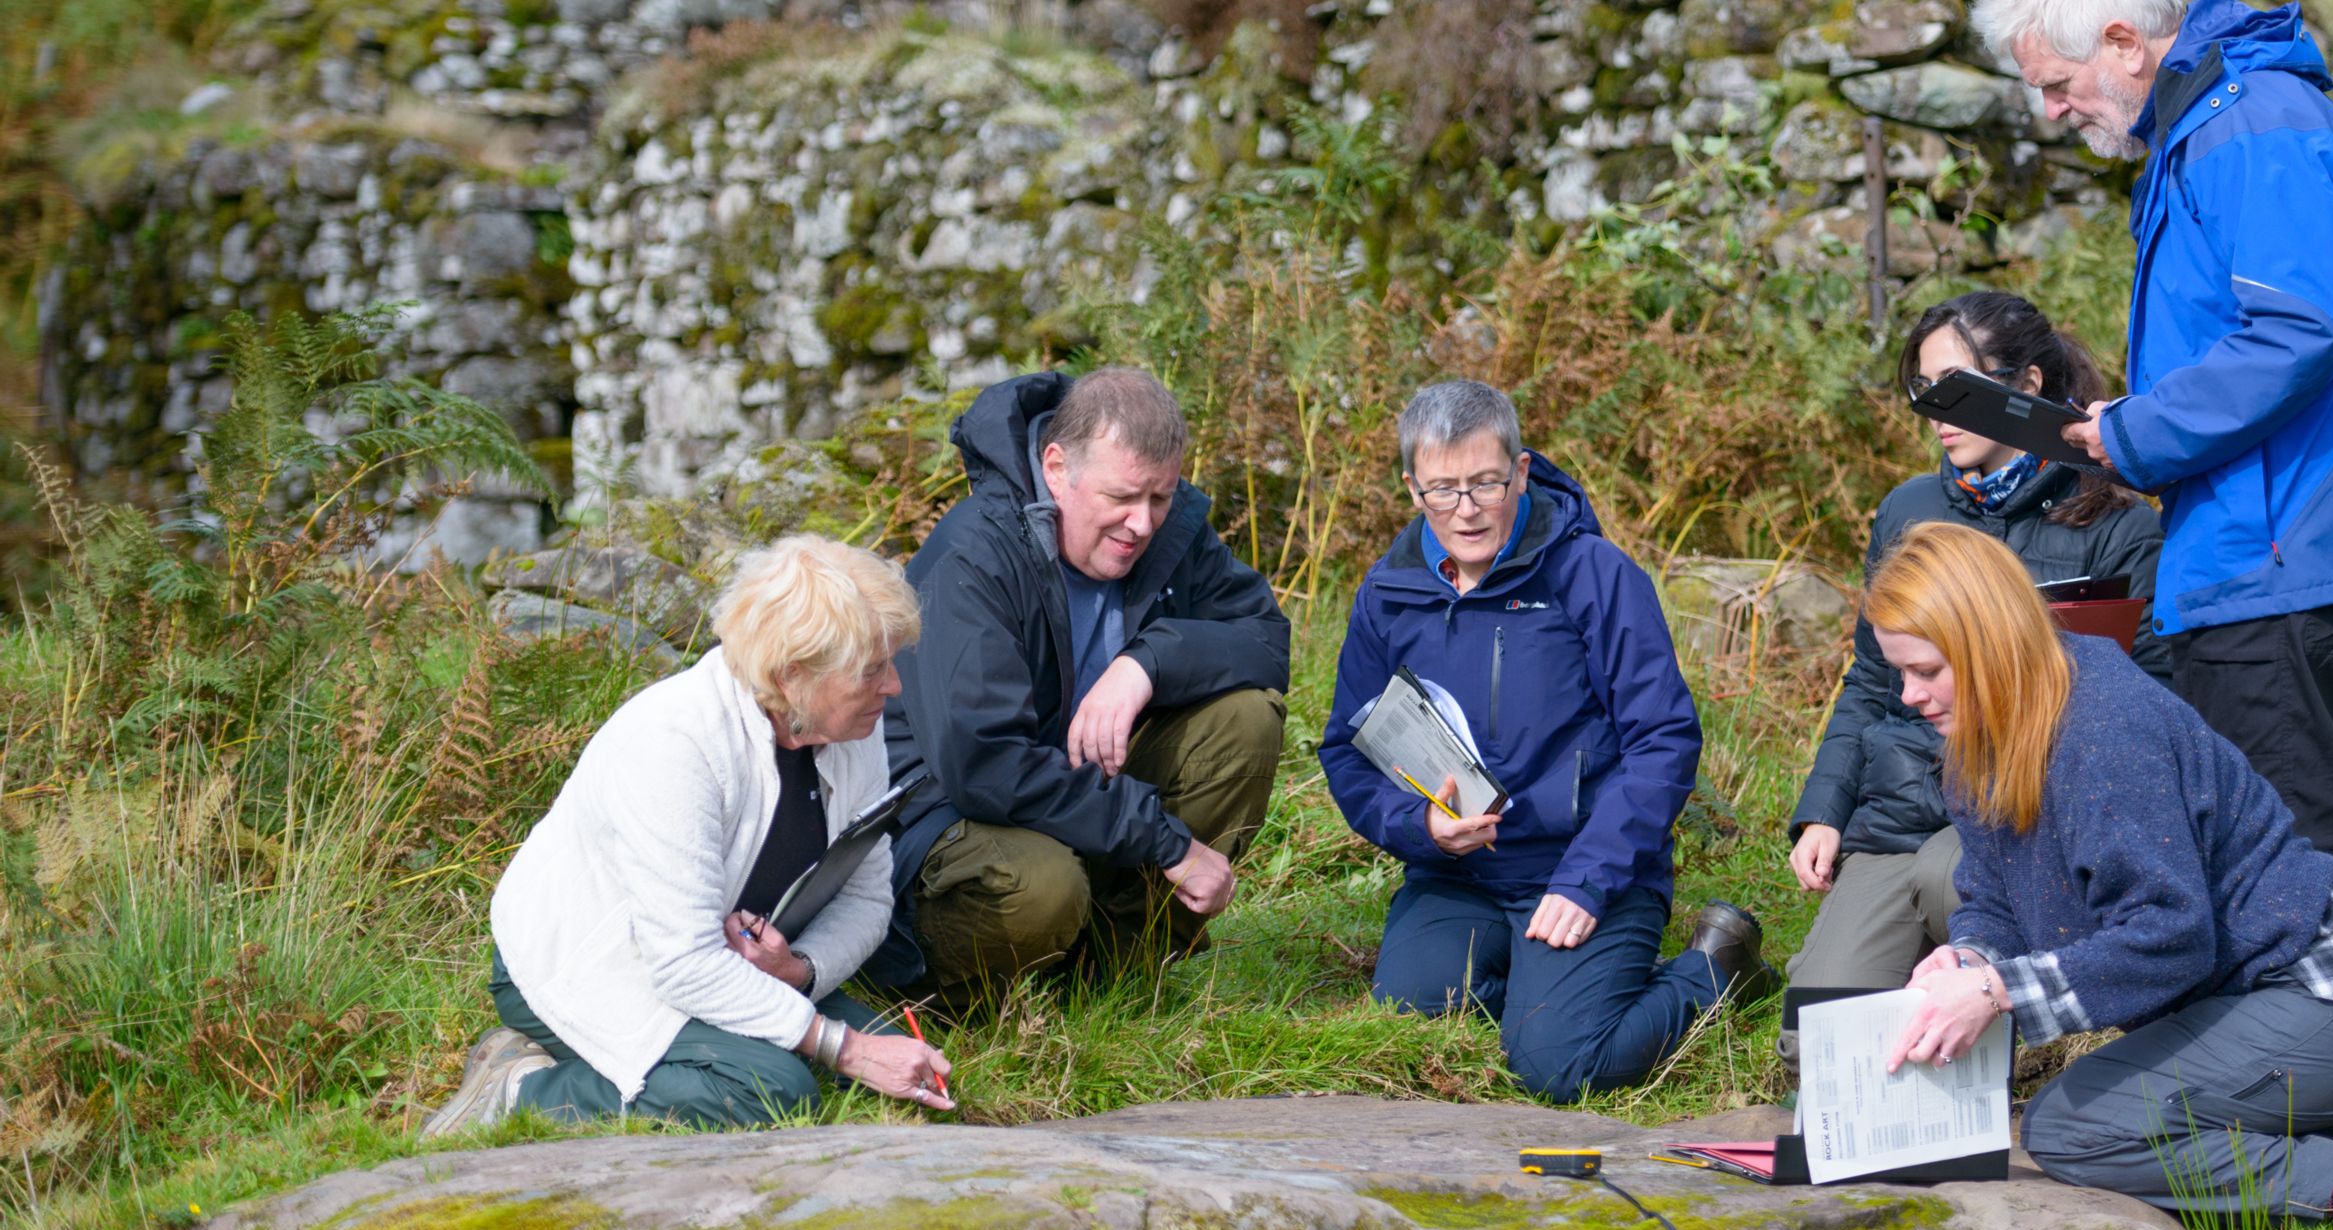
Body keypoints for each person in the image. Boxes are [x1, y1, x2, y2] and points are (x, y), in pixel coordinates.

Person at [1976, 0, 2333, 1083]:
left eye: (2059, 83)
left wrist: (2134, 432)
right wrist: (2137, 420)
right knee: (2278, 816)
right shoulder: (2214, 123)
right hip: (2262, 523)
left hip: (2284, 530)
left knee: (2288, 828)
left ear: (2123, 41)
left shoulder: (2246, 126)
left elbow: (2295, 332)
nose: (2053, 109)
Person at [1866, 523, 2333, 1225]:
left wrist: (1999, 992)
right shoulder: (1982, 743)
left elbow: (2172, 937)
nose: (1910, 694)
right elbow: (1993, 899)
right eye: (1899, 672)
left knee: (2068, 1128)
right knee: (2089, 1103)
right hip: (2260, 997)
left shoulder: (2101, 727)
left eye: (1927, 670)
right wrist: (1967, 955)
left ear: (1988, 643)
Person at [1318, 379, 1771, 1103]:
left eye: (1486, 483)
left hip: (1585, 868)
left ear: (1521, 470)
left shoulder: (1594, 575)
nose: (1465, 510)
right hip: (1455, 874)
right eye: (1442, 489)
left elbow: (1664, 740)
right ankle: (1542, 991)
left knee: (1557, 1067)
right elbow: (1348, 748)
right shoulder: (1387, 592)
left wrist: (1589, 877)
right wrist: (1422, 827)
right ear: (1412, 488)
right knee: (1409, 1017)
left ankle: (1715, 968)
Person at [424, 535, 954, 1134]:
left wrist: (801, 972)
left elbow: (866, 896)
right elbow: (680, 963)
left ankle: (728, 1054)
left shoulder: (854, 732)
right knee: (775, 1091)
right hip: (595, 961)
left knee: (899, 1071)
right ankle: (519, 1089)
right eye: (871, 670)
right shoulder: (674, 742)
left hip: (721, 963)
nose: (894, 687)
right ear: (793, 675)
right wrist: (843, 1047)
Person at [1781, 291, 2166, 1001]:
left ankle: (2023, 993)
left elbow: (2147, 700)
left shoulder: (2115, 522)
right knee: (1815, 1028)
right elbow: (1870, 679)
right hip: (1904, 808)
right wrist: (1825, 810)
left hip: (2025, 811)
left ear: (2027, 386)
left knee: (1945, 877)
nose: (1936, 410)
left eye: (1956, 385)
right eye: (1925, 390)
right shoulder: (1908, 509)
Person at [874, 366, 1290, 995]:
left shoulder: (1166, 534)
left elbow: (1266, 638)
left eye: (1159, 497)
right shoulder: (972, 559)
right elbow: (985, 765)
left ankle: (1115, 978)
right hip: (949, 817)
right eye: (1122, 498)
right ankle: (966, 998)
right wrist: (1166, 841)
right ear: (1057, 467)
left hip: (1076, 798)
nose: (1142, 524)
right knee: (1042, 885)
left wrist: (1145, 664)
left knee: (1244, 720)